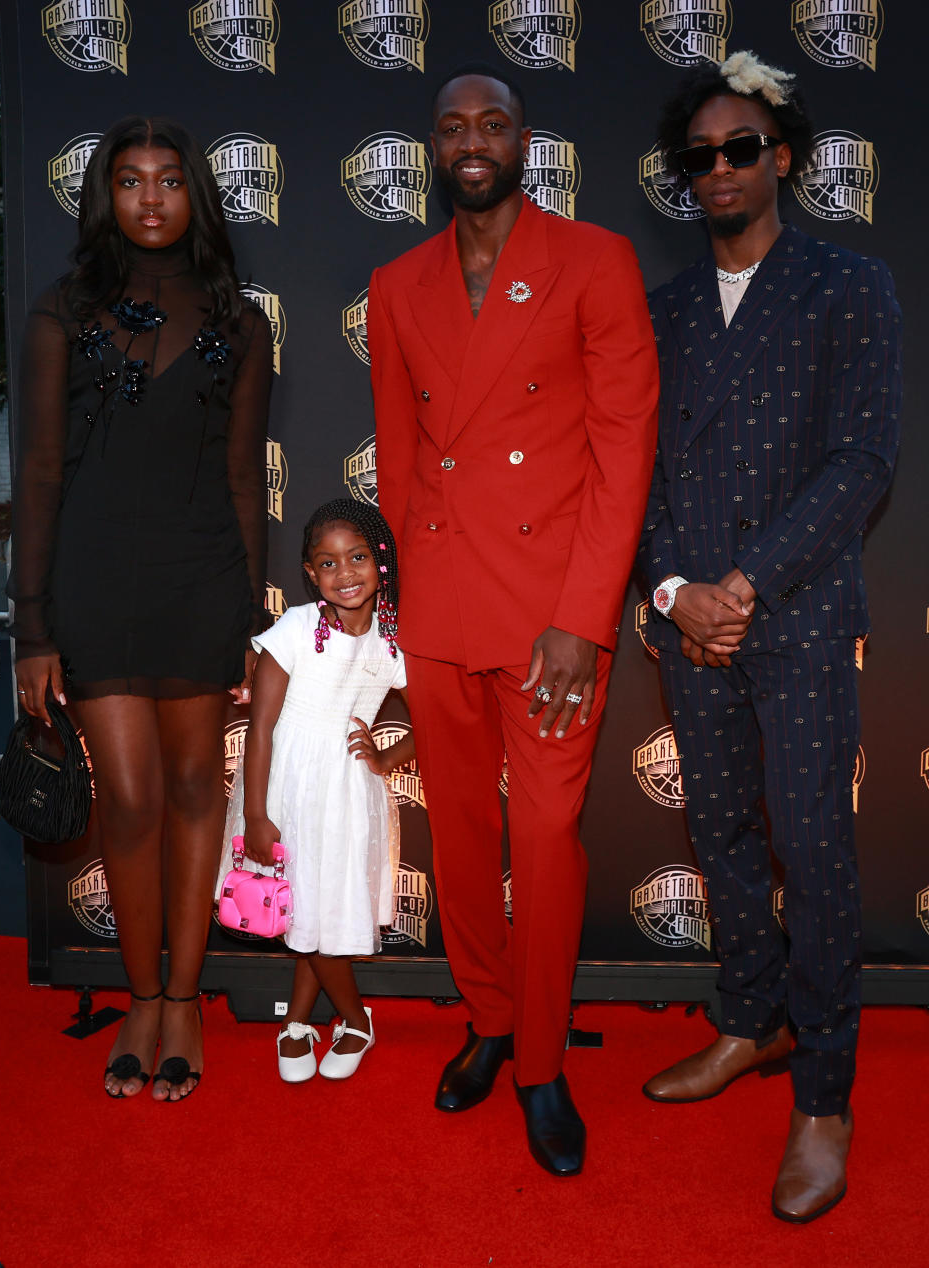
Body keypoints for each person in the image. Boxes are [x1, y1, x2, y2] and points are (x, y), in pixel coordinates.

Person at [367, 63, 659, 1176]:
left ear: (524, 142)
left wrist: (582, 620)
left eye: (493, 122)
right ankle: (488, 1018)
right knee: (461, 832)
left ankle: (540, 1059)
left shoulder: (594, 260)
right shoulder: (398, 283)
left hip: (550, 616)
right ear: (432, 149)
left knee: (542, 842)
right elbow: (399, 456)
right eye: (452, 127)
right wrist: (405, 601)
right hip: (440, 607)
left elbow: (623, 453)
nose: (472, 139)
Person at [638, 52, 902, 1221]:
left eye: (741, 147)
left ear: (782, 156)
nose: (720, 170)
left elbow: (863, 464)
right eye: (700, 156)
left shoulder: (850, 287)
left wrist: (740, 583)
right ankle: (746, 1020)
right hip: (692, 629)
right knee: (724, 837)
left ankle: (826, 1095)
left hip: (794, 622)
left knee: (815, 850)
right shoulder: (665, 309)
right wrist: (674, 592)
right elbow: (631, 471)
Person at [9, 116, 273, 1101]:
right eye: (131, 180)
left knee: (200, 783)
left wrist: (251, 620)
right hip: (95, 583)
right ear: (106, 195)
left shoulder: (242, 323)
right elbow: (37, 472)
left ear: (194, 195)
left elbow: (245, 478)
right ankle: (140, 995)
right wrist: (33, 628)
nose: (151, 197)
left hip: (202, 580)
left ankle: (186, 998)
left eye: (169, 180)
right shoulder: (62, 314)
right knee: (127, 796)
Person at [219, 498, 412, 1081]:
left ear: (380, 562)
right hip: (284, 787)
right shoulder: (298, 627)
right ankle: (348, 1018)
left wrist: (385, 758)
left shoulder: (398, 642)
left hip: (349, 796)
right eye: (327, 563)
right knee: (304, 905)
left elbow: (438, 718)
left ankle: (312, 1020)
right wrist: (255, 814)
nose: (344, 573)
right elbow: (260, 728)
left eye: (357, 557)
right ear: (309, 573)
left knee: (322, 908)